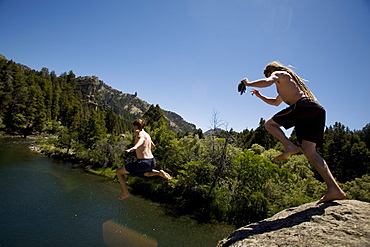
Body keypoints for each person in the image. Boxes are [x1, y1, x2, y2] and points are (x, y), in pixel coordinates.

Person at [239, 61, 346, 204]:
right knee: (309, 151)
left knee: (270, 124)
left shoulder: (280, 74)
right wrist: (259, 96)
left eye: (267, 73)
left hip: (303, 106)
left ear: (273, 70)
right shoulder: (286, 85)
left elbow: (267, 82)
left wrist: (248, 83)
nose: (267, 75)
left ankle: (289, 146)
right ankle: (334, 189)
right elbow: (275, 102)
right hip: (316, 110)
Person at [116, 119, 172, 200]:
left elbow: (141, 139)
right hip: (152, 161)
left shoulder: (138, 132)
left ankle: (126, 193)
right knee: (146, 174)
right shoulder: (147, 135)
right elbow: (153, 146)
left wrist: (135, 147)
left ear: (135, 126)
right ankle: (159, 173)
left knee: (119, 172)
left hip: (143, 162)